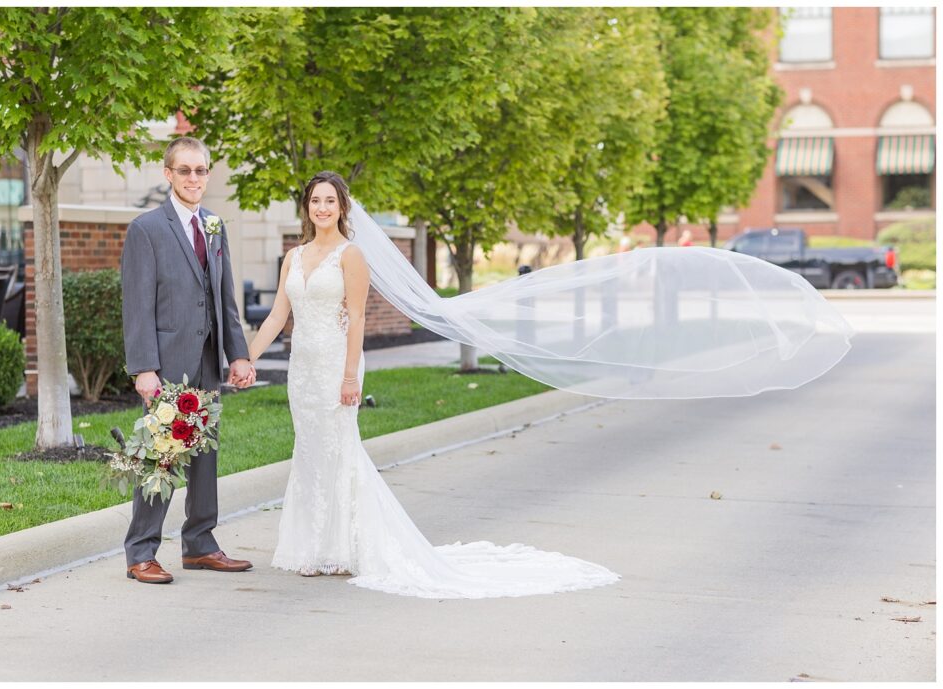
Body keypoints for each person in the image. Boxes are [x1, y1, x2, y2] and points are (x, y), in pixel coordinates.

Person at [246, 171, 620, 598]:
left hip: (336, 366)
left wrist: (350, 376)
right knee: (310, 451)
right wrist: (247, 358)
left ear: (342, 207)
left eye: (330, 200)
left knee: (338, 449)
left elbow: (358, 318)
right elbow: (278, 315)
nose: (323, 208)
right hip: (303, 370)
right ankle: (310, 546)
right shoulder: (295, 257)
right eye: (316, 201)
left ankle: (341, 548)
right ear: (307, 207)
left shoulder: (351, 256)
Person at [120, 136, 257, 584]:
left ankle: (200, 544)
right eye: (185, 171)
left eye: (200, 171)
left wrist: (237, 354)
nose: (194, 178)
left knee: (205, 458)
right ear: (168, 174)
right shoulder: (147, 228)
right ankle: (141, 552)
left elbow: (224, 297)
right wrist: (144, 368)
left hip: (206, 362)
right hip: (166, 365)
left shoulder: (214, 225)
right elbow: (137, 304)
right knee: (161, 457)